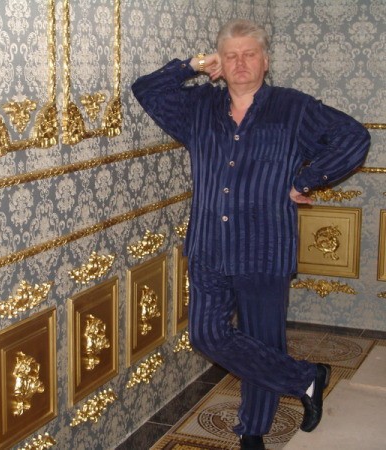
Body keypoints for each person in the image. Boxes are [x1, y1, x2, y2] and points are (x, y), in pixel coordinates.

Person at [132, 18, 370, 450]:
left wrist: (306, 180)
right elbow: (146, 89)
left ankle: (253, 431)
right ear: (219, 63)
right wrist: (192, 65)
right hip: (208, 245)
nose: (240, 63)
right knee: (207, 334)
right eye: (231, 55)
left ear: (266, 60)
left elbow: (354, 138)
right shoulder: (198, 108)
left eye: (250, 54)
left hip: (265, 247)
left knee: (262, 339)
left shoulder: (292, 108)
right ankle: (306, 377)